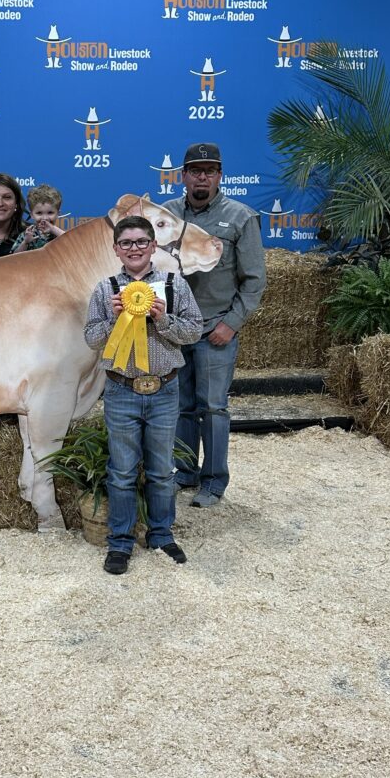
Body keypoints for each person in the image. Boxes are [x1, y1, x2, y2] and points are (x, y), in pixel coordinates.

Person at [84, 215, 203, 576]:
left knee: (161, 471)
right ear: (116, 249)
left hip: (165, 388)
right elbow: (91, 337)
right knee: (120, 471)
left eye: (141, 242)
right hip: (122, 390)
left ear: (154, 245)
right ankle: (120, 541)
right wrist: (113, 320)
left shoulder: (174, 285)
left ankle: (161, 534)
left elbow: (194, 330)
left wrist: (164, 320)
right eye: (126, 243)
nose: (134, 248)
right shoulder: (106, 290)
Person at [166, 143, 267, 508]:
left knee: (213, 407)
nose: (202, 177)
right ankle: (185, 471)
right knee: (181, 406)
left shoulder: (240, 217)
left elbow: (254, 280)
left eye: (210, 170)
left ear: (220, 175)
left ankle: (214, 481)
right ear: (184, 176)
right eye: (196, 170)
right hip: (174, 330)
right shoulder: (167, 216)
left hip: (215, 329)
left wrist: (232, 324)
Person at [10, 183, 66, 253]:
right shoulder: (27, 235)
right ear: (32, 215)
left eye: (50, 213)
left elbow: (73, 243)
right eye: (39, 213)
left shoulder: (59, 234)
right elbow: (13, 257)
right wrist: (25, 242)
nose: (45, 218)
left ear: (58, 213)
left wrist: (53, 229)